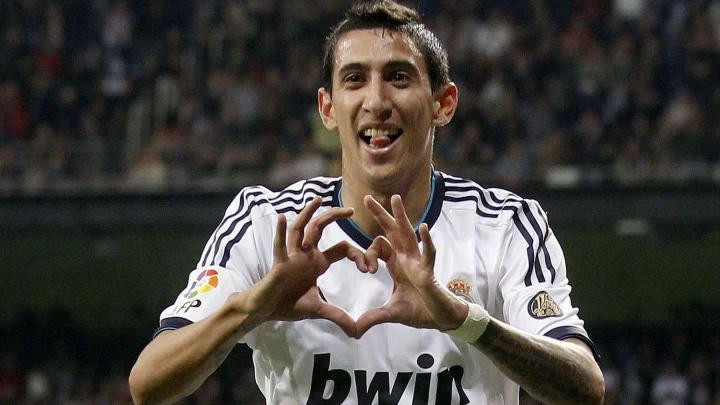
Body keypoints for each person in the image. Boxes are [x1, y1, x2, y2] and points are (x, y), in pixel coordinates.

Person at [129, 1, 605, 404]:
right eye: (355, 79)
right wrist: (253, 306)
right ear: (328, 108)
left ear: (443, 103)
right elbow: (148, 383)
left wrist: (465, 321)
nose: (376, 101)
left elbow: (585, 385)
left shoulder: (505, 225)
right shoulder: (266, 223)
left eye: (398, 77)